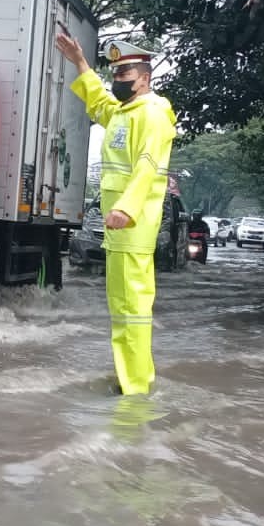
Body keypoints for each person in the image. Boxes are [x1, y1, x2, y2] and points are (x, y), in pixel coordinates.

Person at [56, 30, 177, 396]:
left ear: (145, 78)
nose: (118, 82)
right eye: (116, 75)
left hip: (132, 223)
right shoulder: (126, 112)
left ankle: (136, 387)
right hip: (119, 227)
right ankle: (129, 378)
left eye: (125, 75)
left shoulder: (153, 114)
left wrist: (126, 207)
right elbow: (100, 104)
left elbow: (147, 165)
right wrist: (80, 63)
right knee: (123, 307)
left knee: (133, 308)